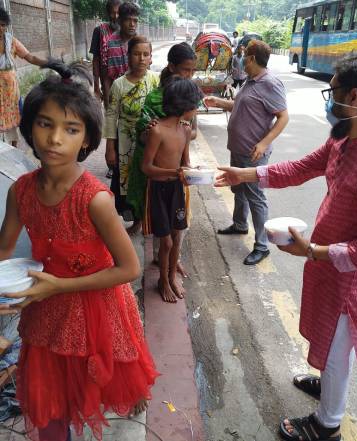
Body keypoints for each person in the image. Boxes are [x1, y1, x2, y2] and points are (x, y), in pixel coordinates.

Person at [214, 50, 357, 441]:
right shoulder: (346, 139)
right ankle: (327, 384)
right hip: (331, 265)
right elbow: (301, 167)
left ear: (356, 97)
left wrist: (314, 252)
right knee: (330, 341)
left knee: (336, 347)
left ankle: (327, 423)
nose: (329, 101)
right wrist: (244, 174)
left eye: (331, 92)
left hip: (355, 283)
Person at [0, 63, 158, 440]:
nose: (55, 138)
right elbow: (5, 249)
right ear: (28, 129)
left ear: (86, 140)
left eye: (70, 129)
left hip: (96, 309)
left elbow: (129, 269)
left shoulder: (95, 199)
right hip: (44, 308)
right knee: (51, 402)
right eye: (44, 124)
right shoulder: (20, 191)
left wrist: (57, 286)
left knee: (91, 387)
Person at [204, 40, 288, 266]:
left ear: (251, 59)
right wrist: (219, 102)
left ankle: (262, 246)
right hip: (239, 149)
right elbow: (240, 106)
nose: (241, 61)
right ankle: (240, 224)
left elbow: (283, 117)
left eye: (244, 57)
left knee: (256, 197)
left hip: (253, 153)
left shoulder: (270, 83)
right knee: (238, 189)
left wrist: (263, 143)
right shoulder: (250, 82)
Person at [126, 42, 197, 277]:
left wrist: (188, 168)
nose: (189, 75)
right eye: (186, 70)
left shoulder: (186, 109)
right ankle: (161, 263)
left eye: (192, 71)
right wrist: (153, 131)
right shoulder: (157, 98)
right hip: (158, 177)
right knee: (162, 232)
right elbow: (145, 138)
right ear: (172, 67)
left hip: (176, 177)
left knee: (177, 229)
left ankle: (171, 264)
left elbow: (190, 132)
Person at [141, 77, 203, 303]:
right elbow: (146, 167)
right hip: (158, 190)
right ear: (185, 106)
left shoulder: (185, 131)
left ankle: (171, 277)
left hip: (177, 189)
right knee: (165, 242)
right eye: (195, 106)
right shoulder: (157, 131)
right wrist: (173, 172)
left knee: (176, 238)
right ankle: (163, 282)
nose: (196, 110)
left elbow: (185, 162)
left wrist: (192, 171)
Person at [104, 35, 158, 231]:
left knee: (147, 179)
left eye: (146, 54)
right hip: (126, 142)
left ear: (151, 57)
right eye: (136, 54)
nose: (141, 59)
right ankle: (136, 219)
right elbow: (111, 116)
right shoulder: (119, 85)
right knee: (128, 182)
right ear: (128, 56)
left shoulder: (156, 80)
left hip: (150, 141)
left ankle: (147, 218)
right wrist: (110, 147)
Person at [0, 7, 48, 147]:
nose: (0, 28)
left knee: (12, 124)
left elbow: (30, 57)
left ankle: (12, 152)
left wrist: (48, 63)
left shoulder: (12, 42)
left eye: (3, 25)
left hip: (10, 92)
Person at [104, 1, 140, 108]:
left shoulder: (140, 42)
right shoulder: (110, 43)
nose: (132, 24)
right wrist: (107, 103)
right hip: (118, 96)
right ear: (120, 21)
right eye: (128, 20)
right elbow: (107, 77)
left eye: (135, 21)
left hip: (138, 96)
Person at [89, 0, 121, 101]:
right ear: (108, 13)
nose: (116, 16)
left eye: (118, 13)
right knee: (110, 112)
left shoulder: (126, 32)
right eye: (112, 13)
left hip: (126, 80)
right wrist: (96, 87)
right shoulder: (99, 31)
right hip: (107, 82)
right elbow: (96, 60)